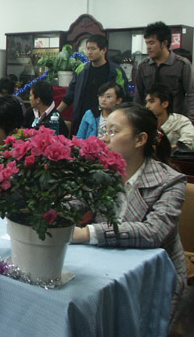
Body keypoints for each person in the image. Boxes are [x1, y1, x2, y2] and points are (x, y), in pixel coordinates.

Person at [72, 103, 187, 309]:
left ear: (140, 139)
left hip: (152, 275)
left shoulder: (170, 181)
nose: (104, 139)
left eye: (113, 131)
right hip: (105, 264)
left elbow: (154, 232)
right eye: (104, 131)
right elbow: (73, 204)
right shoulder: (101, 173)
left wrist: (87, 233)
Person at [57, 34, 130, 132]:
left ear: (103, 50)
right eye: (88, 48)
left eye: (93, 49)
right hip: (82, 119)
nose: (89, 52)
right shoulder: (81, 69)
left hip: (106, 120)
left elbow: (124, 98)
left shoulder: (116, 71)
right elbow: (70, 95)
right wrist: (56, 112)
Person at [134, 22, 194, 121]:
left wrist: (191, 120)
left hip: (175, 120)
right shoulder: (143, 66)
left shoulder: (182, 64)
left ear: (164, 43)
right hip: (149, 120)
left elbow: (191, 94)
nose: (148, 47)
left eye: (152, 43)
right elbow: (138, 95)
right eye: (146, 43)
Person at [146, 83, 194, 148]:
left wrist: (161, 150)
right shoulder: (145, 123)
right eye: (147, 102)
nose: (147, 106)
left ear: (165, 104)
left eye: (151, 101)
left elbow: (186, 145)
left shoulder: (181, 122)